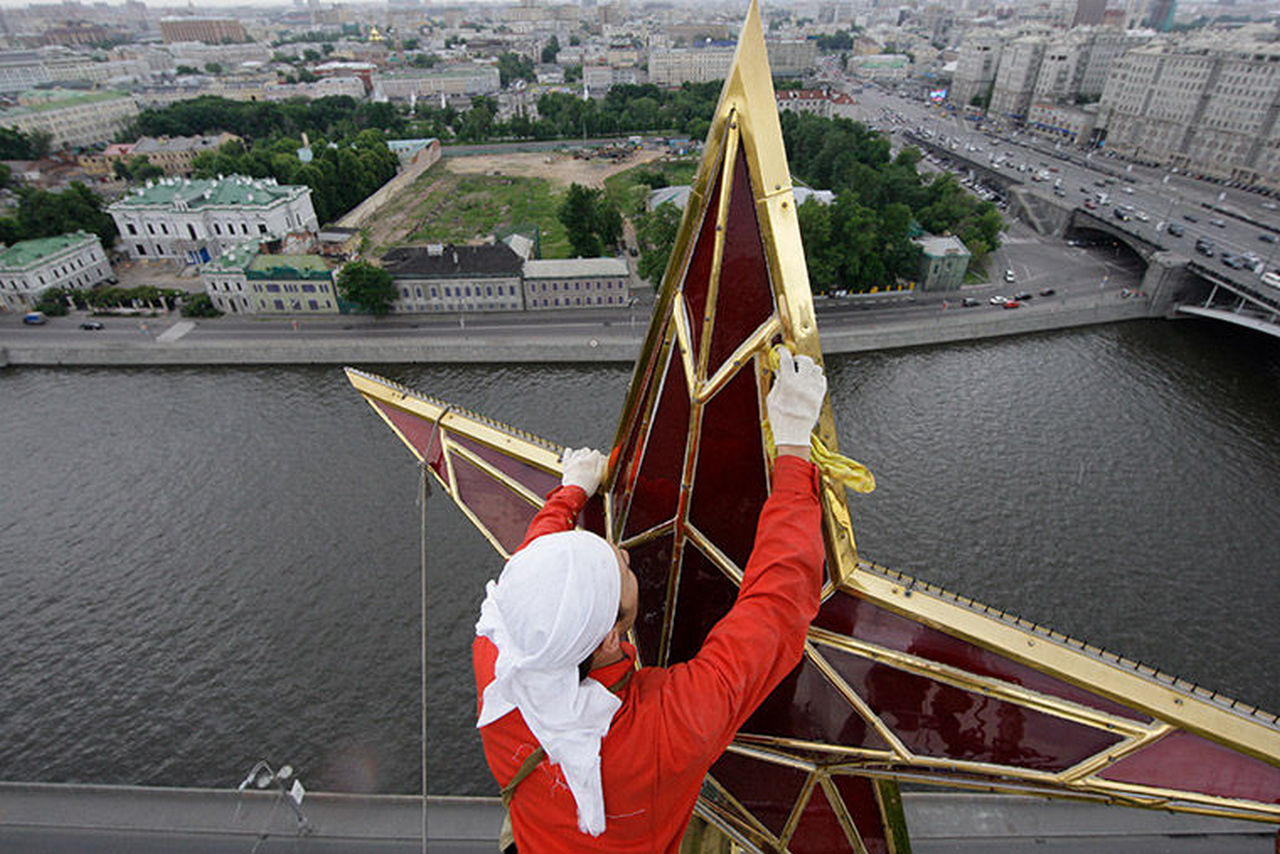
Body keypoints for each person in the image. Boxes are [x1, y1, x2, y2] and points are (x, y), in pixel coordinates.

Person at [473, 347, 828, 852]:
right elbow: (777, 605)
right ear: (612, 637)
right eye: (620, 568)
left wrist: (571, 494)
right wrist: (793, 445)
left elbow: (537, 568)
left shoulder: (499, 655)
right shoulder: (667, 729)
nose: (619, 550)